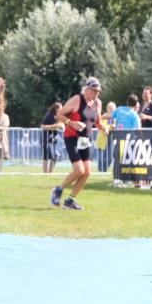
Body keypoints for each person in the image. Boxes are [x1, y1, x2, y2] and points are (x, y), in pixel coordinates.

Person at [50, 77, 104, 210]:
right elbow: (60, 115)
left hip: (86, 140)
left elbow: (97, 121)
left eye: (98, 91)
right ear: (87, 89)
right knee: (79, 170)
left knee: (87, 172)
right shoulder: (77, 100)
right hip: (72, 138)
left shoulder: (98, 103)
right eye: (94, 90)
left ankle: (70, 201)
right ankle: (58, 190)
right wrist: (71, 123)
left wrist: (105, 128)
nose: (96, 93)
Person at [41, 101, 65, 173]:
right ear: (56, 108)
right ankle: (45, 173)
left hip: (54, 139)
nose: (62, 109)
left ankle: (50, 172)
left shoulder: (59, 117)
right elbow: (43, 127)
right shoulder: (49, 116)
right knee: (46, 157)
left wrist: (61, 126)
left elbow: (62, 126)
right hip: (46, 138)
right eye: (60, 108)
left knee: (55, 157)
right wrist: (56, 126)